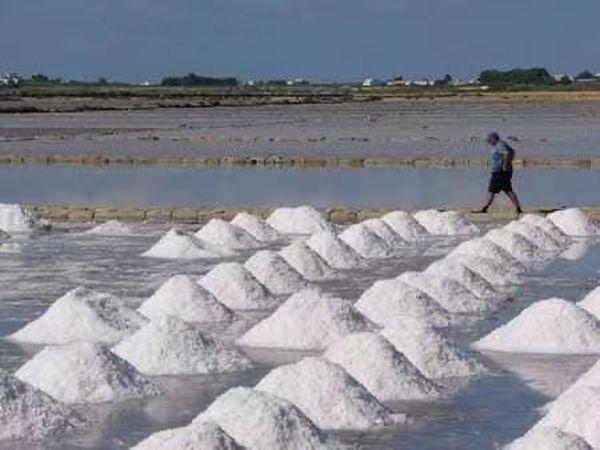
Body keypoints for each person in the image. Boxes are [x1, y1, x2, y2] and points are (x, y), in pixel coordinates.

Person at [473, 132, 523, 215]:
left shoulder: (500, 145)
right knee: (508, 190)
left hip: (499, 172)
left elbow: (508, 153)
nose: (488, 142)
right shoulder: (501, 144)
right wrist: (508, 164)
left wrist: (505, 165)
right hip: (502, 172)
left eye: (489, 140)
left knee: (491, 190)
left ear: (494, 138)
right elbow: (512, 152)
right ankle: (518, 208)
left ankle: (484, 208)